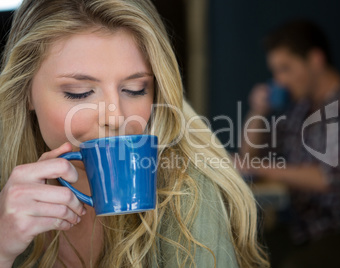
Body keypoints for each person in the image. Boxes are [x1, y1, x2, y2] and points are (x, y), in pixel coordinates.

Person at [0, 1, 269, 267]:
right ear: (25, 92)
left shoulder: (188, 194)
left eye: (135, 89)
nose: (116, 117)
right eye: (79, 92)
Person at [240, 19, 340, 268]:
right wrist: (257, 112)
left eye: (285, 69)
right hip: (303, 230)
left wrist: (257, 167)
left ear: (315, 60)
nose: (279, 80)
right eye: (275, 71)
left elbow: (337, 177)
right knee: (238, 253)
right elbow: (250, 157)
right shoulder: (299, 109)